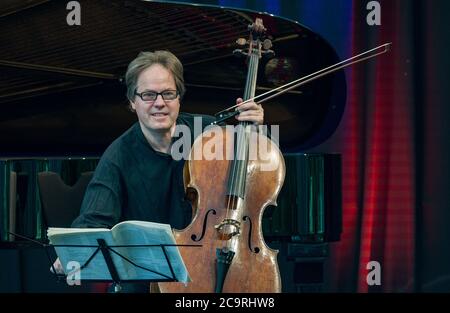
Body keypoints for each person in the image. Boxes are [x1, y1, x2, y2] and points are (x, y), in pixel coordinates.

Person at [51, 50, 264, 291]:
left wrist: (252, 134)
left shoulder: (209, 134)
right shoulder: (119, 155)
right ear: (133, 102)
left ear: (179, 98)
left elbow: (250, 178)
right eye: (148, 95)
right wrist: (74, 250)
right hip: (148, 280)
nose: (159, 103)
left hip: (213, 261)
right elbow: (95, 217)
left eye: (168, 94)